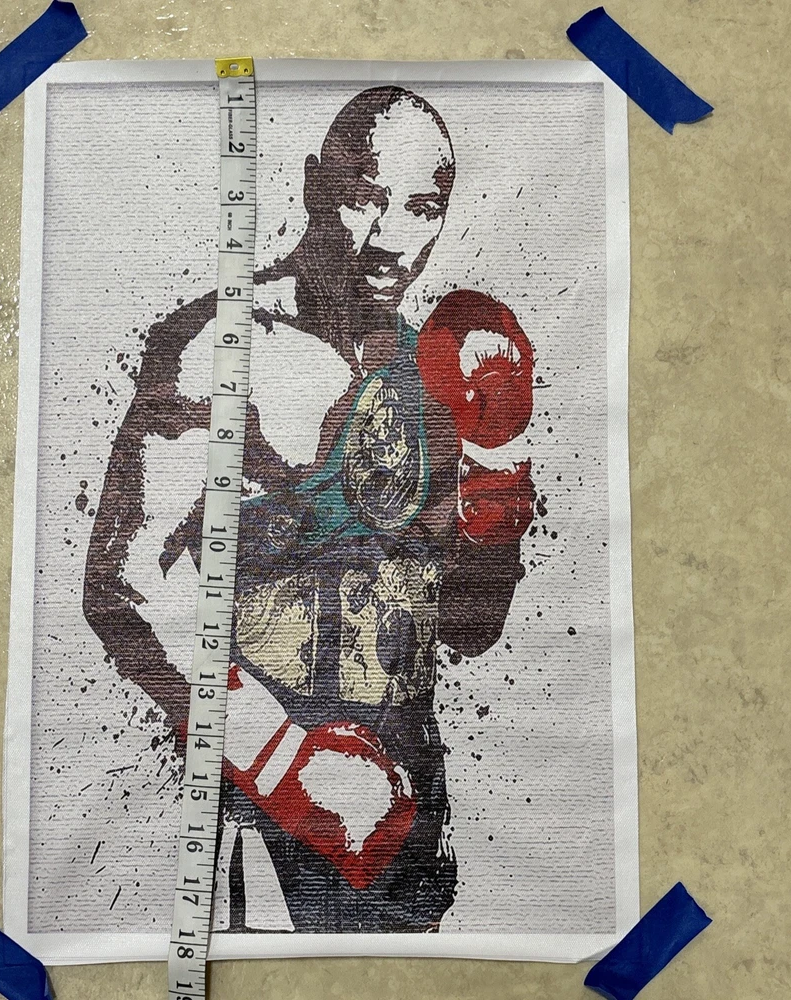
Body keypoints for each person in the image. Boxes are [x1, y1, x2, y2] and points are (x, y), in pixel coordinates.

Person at [83, 86, 535, 933]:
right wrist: (286, 762)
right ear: (312, 185)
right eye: (366, 196)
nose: (391, 238)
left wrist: (499, 476)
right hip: (260, 787)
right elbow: (128, 585)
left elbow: (468, 630)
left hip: (407, 788)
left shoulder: (433, 369)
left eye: (422, 208)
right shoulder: (224, 343)